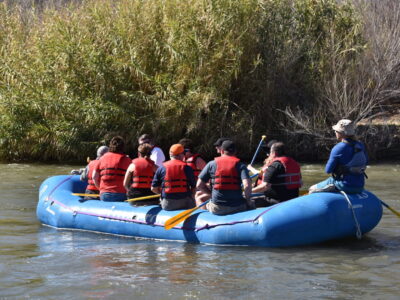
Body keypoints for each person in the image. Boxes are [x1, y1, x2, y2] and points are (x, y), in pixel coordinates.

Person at [309, 119, 368, 194]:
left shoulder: (338, 148)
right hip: (360, 185)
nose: (335, 132)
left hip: (343, 185)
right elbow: (366, 162)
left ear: (341, 133)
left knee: (311, 189)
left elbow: (328, 170)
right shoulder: (360, 145)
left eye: (336, 131)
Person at [196, 140, 253, 215]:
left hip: (217, 207)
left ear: (222, 151)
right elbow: (247, 185)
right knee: (251, 204)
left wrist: (210, 194)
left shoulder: (211, 164)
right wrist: (248, 200)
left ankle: (206, 219)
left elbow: (199, 185)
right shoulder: (241, 165)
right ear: (235, 152)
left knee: (200, 200)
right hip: (238, 207)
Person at [251, 142, 302, 206]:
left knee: (247, 200)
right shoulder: (295, 163)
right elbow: (300, 182)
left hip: (276, 201)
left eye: (270, 152)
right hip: (293, 199)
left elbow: (265, 186)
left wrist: (248, 192)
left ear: (274, 153)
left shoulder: (275, 165)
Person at [151, 144, 196, 210]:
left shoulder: (161, 168)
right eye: (183, 153)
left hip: (168, 205)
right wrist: (191, 197)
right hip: (186, 203)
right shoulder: (187, 168)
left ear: (170, 155)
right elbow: (194, 187)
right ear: (181, 155)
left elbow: (153, 188)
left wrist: (162, 194)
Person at [93, 136, 132, 202]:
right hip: (121, 193)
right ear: (123, 147)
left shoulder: (102, 158)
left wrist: (100, 189)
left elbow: (94, 177)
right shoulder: (127, 160)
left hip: (105, 194)